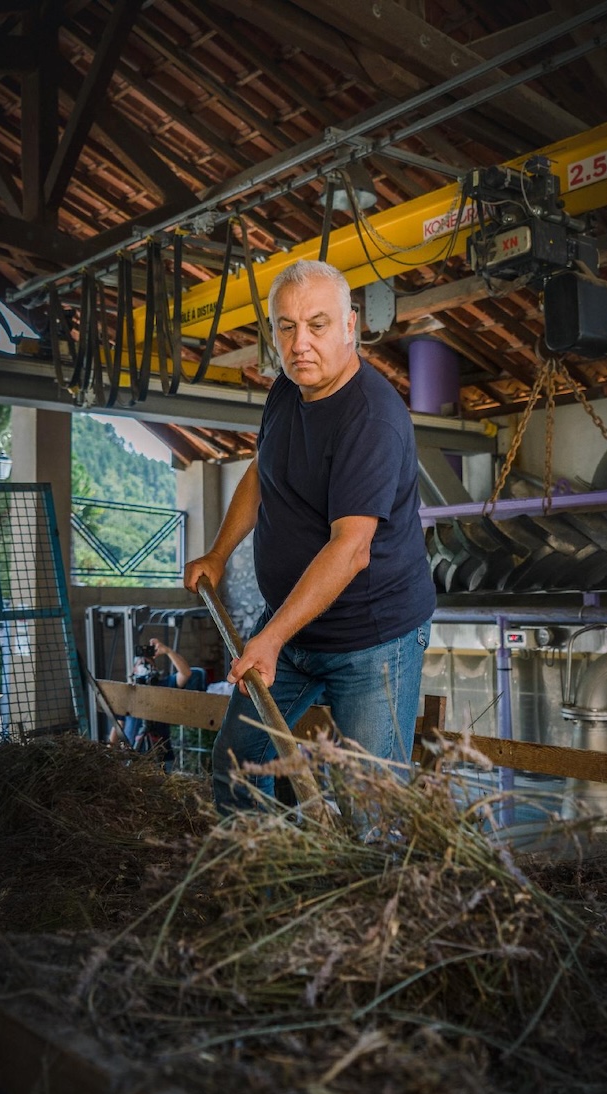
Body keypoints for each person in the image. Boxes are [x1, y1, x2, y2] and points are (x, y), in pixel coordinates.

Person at [183, 259, 436, 815]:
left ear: (350, 326)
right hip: (294, 629)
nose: (300, 343)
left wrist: (269, 639)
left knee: (372, 810)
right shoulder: (286, 388)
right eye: (286, 326)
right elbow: (261, 472)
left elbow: (351, 549)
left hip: (372, 642)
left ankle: (375, 901)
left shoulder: (370, 419)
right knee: (237, 769)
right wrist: (218, 553)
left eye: (317, 325)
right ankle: (264, 893)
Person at [109, 637, 204, 770]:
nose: (145, 666)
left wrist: (168, 651)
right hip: (132, 756)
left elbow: (186, 673)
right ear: (134, 670)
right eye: (141, 663)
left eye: (148, 662)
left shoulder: (164, 686)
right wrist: (108, 752)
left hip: (161, 756)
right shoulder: (127, 692)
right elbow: (118, 725)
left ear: (155, 667)